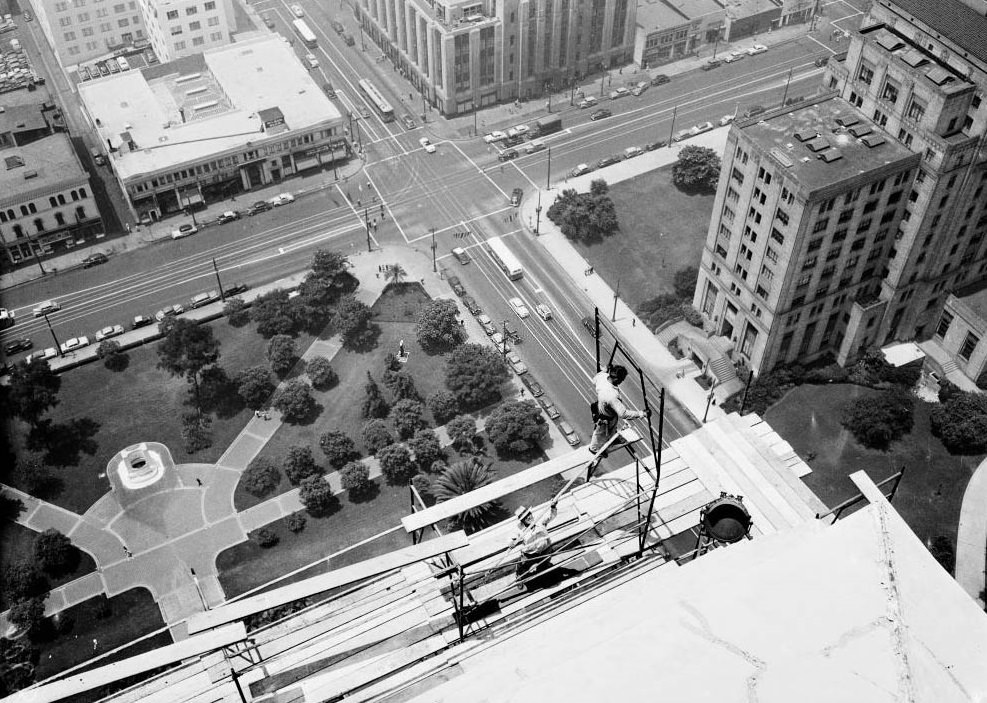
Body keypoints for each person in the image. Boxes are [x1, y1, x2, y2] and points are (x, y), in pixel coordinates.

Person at [587, 364, 647, 469]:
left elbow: (595, 379)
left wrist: (603, 371)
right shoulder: (611, 395)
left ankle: (612, 438)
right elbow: (623, 413)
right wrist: (641, 414)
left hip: (603, 409)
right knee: (600, 433)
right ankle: (595, 449)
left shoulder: (602, 378)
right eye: (621, 380)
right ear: (616, 378)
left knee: (611, 428)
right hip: (606, 417)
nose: (621, 382)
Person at [510, 502, 558, 586]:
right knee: (524, 567)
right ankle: (519, 576)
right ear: (522, 520)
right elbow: (512, 540)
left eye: (529, 514)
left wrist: (553, 506)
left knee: (543, 565)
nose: (529, 517)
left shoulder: (539, 520)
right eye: (525, 517)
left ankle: (544, 570)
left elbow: (552, 516)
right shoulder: (519, 529)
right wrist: (512, 543)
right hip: (530, 554)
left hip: (545, 549)